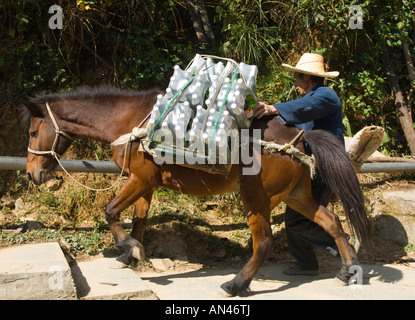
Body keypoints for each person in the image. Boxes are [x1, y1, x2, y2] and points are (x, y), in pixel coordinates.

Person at [254, 53, 347, 276]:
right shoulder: (308, 100)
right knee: (296, 216)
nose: (295, 83)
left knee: (298, 219)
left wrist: (274, 108)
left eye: (297, 78)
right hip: (307, 166)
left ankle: (344, 246)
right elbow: (291, 119)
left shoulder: (325, 95)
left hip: (325, 167)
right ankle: (307, 265)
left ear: (308, 77)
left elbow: (302, 107)